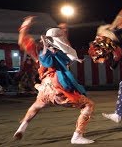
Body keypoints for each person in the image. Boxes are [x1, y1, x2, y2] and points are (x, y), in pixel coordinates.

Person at [13, 16, 95, 144]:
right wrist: (65, 32)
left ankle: (22, 127)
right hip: (58, 89)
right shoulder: (62, 52)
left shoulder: (39, 52)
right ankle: (77, 136)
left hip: (45, 89)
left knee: (36, 106)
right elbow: (66, 46)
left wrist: (25, 25)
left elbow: (22, 41)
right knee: (88, 105)